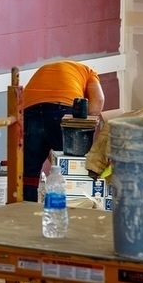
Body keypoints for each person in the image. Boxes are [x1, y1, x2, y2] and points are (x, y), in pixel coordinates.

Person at [21, 60, 104, 202]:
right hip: (63, 108)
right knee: (71, 167)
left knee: (29, 173)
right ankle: (71, 209)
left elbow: (45, 135)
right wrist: (82, 123)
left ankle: (27, 214)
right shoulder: (90, 73)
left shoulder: (51, 68)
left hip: (29, 109)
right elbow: (97, 104)